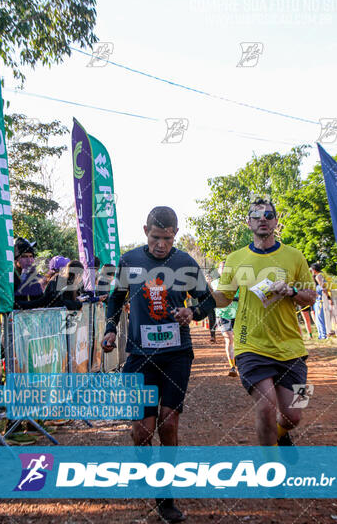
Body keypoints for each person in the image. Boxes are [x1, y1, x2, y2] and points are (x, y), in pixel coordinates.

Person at [102, 206, 216, 523]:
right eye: (155, 237)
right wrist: (110, 327)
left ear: (175, 234)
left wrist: (193, 313)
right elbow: (114, 298)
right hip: (140, 356)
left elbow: (208, 300)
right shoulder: (129, 261)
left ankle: (165, 499)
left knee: (168, 423)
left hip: (177, 353)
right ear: (145, 231)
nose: (161, 245)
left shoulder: (185, 263)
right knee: (143, 431)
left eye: (167, 238)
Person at [212, 197, 316, 446]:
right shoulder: (236, 258)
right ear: (248, 222)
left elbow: (311, 299)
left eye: (268, 216)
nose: (263, 220)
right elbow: (223, 298)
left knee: (295, 413)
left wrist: (291, 291)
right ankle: (272, 474)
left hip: (292, 347)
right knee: (266, 409)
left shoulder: (295, 256)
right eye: (257, 216)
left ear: (276, 222)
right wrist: (199, 296)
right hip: (250, 345)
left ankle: (283, 433)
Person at [211, 262, 239, 376]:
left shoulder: (236, 283)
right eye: (222, 268)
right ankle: (232, 367)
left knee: (238, 340)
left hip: (237, 314)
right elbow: (213, 298)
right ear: (218, 270)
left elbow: (242, 296)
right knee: (229, 338)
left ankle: (239, 363)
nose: (224, 269)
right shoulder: (214, 283)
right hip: (222, 314)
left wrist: (232, 298)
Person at [14, 237, 46, 310]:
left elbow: (39, 299)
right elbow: (14, 304)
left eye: (31, 256)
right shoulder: (10, 277)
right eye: (24, 257)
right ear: (16, 260)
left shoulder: (32, 276)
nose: (29, 260)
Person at [310, 263, 328, 339]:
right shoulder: (318, 275)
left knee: (320, 318)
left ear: (314, 270)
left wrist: (327, 297)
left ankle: (323, 335)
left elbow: (323, 288)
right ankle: (320, 334)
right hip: (317, 300)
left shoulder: (318, 276)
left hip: (320, 300)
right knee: (318, 318)